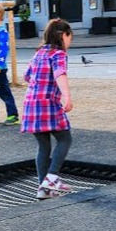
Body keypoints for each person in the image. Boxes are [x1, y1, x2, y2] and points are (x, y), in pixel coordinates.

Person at [21, 18, 74, 199]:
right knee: (65, 138)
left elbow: (27, 76)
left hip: (31, 104)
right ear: (63, 35)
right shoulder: (58, 54)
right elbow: (60, 73)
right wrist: (66, 95)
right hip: (47, 103)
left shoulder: (39, 53)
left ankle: (43, 188)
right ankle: (51, 179)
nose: (70, 42)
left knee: (43, 146)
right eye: (70, 38)